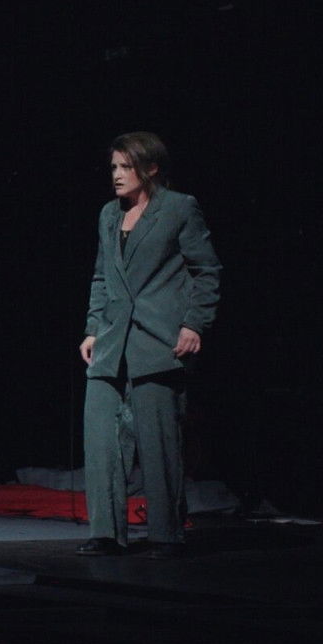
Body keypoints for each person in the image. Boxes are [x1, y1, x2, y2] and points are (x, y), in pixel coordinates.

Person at [76, 132, 221, 559]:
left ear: (151, 168)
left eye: (126, 167)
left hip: (158, 339)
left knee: (159, 442)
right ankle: (106, 533)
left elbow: (206, 270)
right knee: (101, 439)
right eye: (114, 167)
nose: (117, 175)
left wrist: (194, 323)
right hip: (111, 339)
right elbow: (101, 276)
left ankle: (165, 533)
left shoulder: (179, 208)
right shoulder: (108, 214)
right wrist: (92, 328)